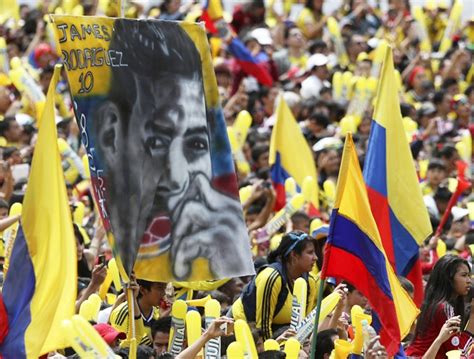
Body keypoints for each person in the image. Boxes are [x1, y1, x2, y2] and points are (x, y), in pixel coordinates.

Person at [93, 20, 253, 280]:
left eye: (196, 145)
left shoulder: (217, 244)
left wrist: (231, 267)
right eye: (157, 142)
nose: (178, 179)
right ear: (111, 135)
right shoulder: (99, 266)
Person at [230, 231, 319, 340]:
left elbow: (305, 324)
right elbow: (262, 326)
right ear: (294, 255)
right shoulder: (271, 277)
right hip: (244, 326)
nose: (315, 258)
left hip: (278, 331)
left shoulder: (310, 282)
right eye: (310, 253)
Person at [406, 255, 474, 358]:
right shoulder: (444, 308)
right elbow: (457, 352)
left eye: (469, 275)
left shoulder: (436, 304)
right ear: (449, 278)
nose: (469, 280)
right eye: (464, 275)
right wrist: (473, 317)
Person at [110, 279, 166, 347]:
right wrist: (152, 338)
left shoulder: (159, 312)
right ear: (142, 290)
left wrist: (162, 321)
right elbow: (121, 348)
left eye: (165, 288)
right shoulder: (123, 312)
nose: (164, 293)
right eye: (159, 288)